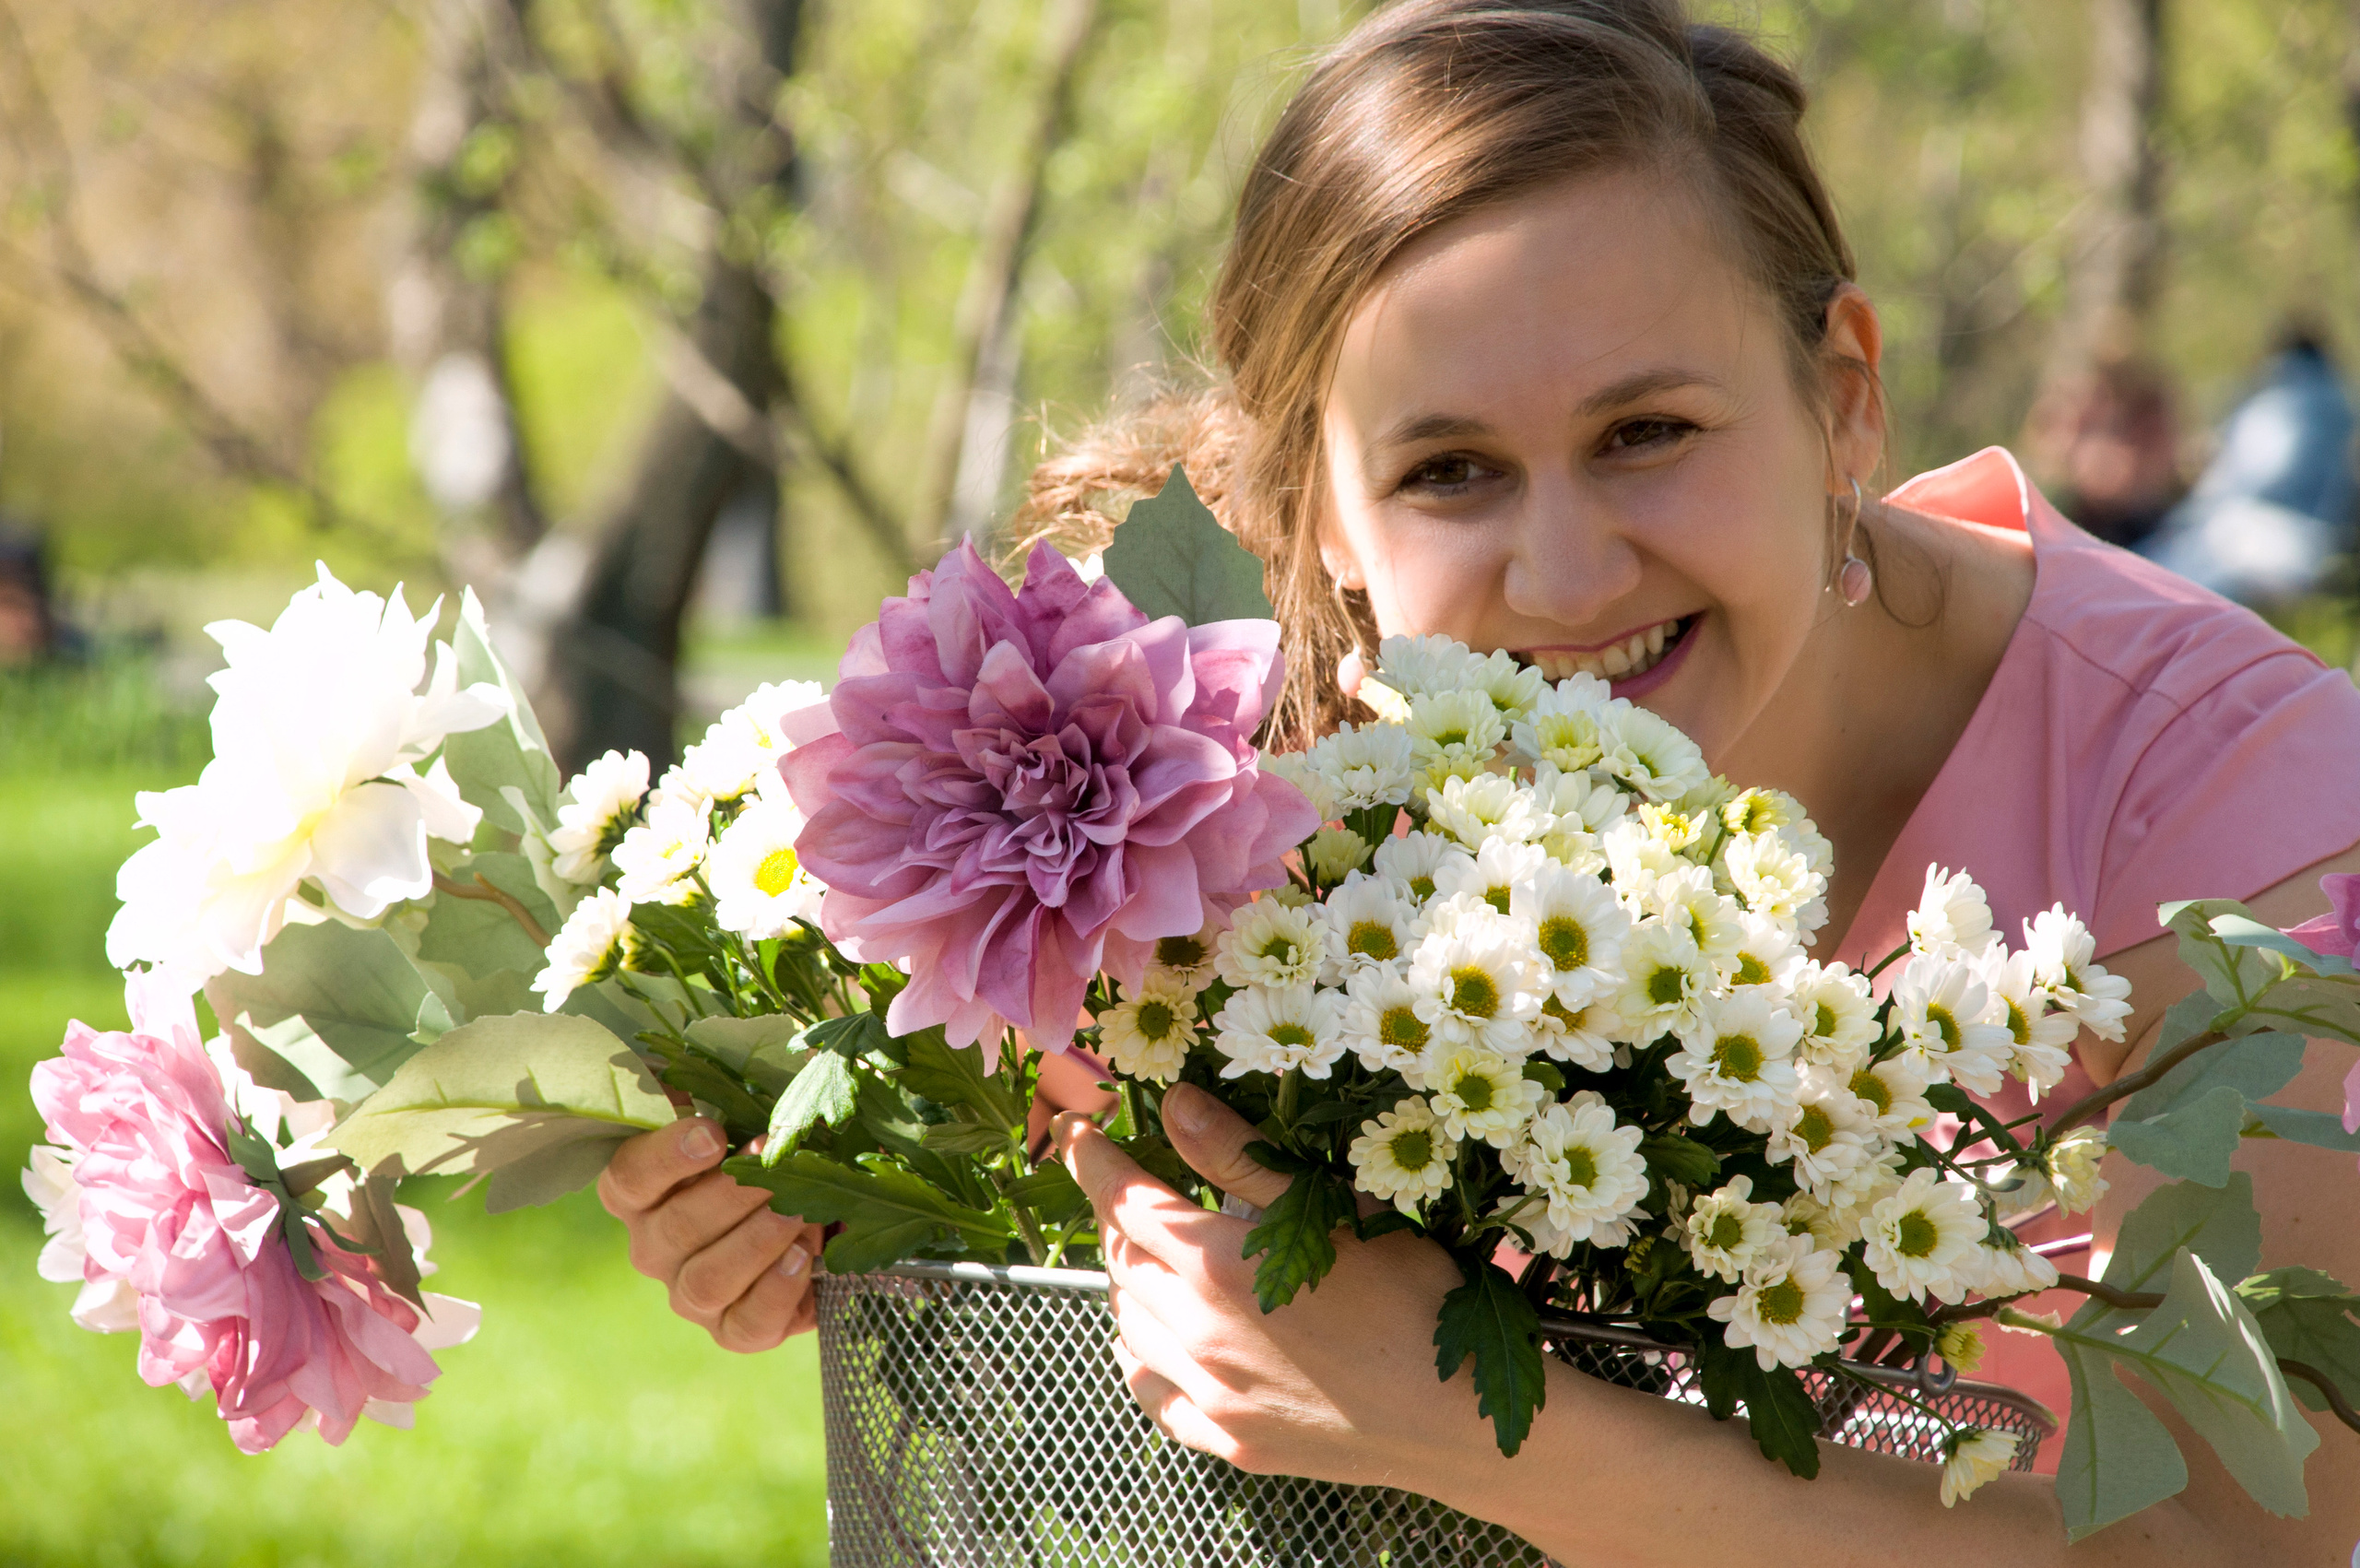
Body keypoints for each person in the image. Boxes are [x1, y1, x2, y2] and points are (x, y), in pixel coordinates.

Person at [597, 3, 2360, 1559]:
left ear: (1842, 400)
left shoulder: (2254, 828)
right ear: (1315, 525)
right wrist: (835, 1203)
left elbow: (2240, 1550)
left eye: (1648, 432)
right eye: (1450, 470)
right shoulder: (1262, 812)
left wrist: (1467, 1423)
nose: (1573, 573)